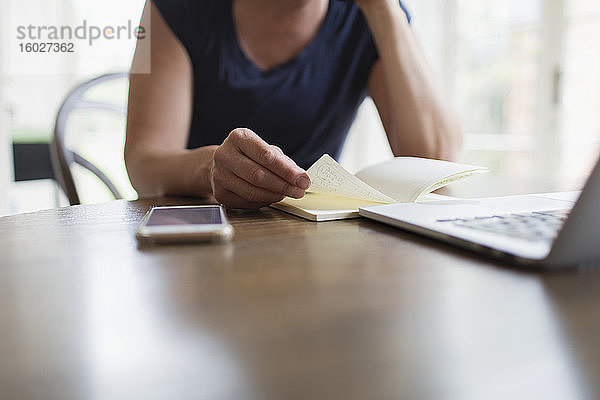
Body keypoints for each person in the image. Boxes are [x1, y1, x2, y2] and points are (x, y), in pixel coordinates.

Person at [125, 0, 463, 209]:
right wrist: (210, 168)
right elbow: (141, 162)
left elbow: (435, 165)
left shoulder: (371, 16)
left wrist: (385, 7)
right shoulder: (169, 7)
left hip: (314, 238)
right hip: (203, 231)